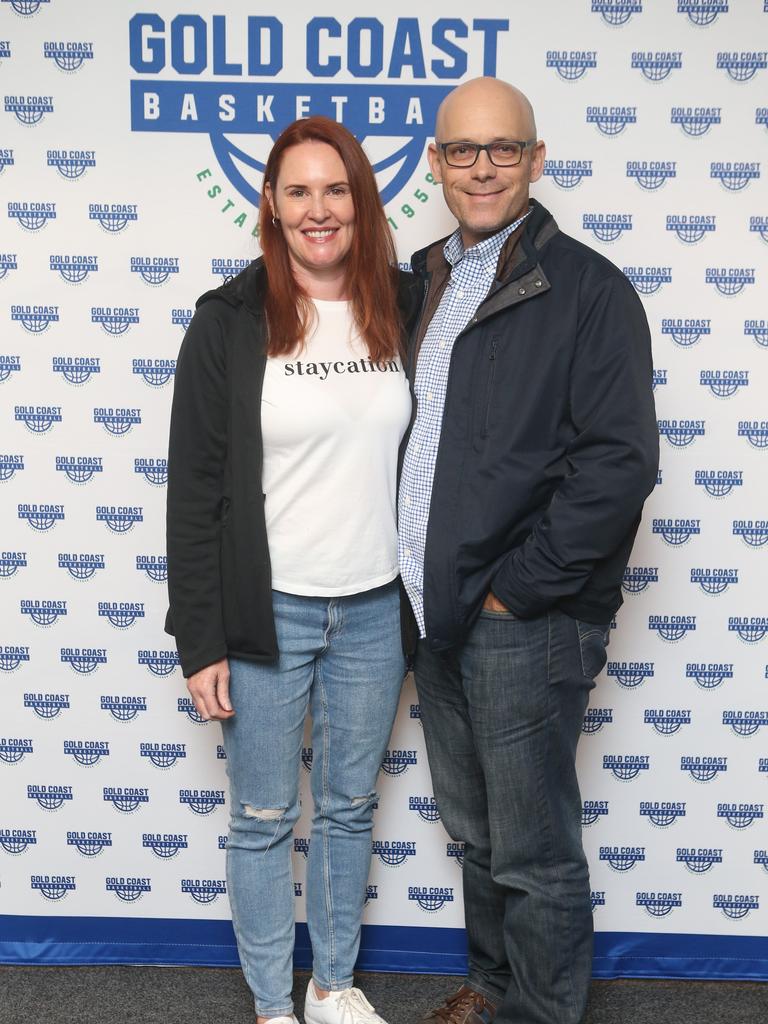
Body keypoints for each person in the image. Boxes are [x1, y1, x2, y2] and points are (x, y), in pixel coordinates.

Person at [398, 78, 659, 1024]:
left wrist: (520, 591)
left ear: (536, 160)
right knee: (474, 833)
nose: (481, 168)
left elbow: (620, 462)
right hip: (435, 611)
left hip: (522, 618)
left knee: (534, 850)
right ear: (435, 163)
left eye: (502, 149)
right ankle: (493, 984)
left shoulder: (587, 287)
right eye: (462, 150)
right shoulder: (424, 276)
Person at [166, 116, 419, 1024]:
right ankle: (275, 1005)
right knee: (265, 819)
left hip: (376, 609)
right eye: (298, 191)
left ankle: (333, 986)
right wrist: (201, 638)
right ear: (270, 204)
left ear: (362, 201)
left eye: (336, 189)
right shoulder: (229, 322)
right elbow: (194, 493)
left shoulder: (405, 302)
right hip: (267, 610)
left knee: (350, 806)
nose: (319, 209)